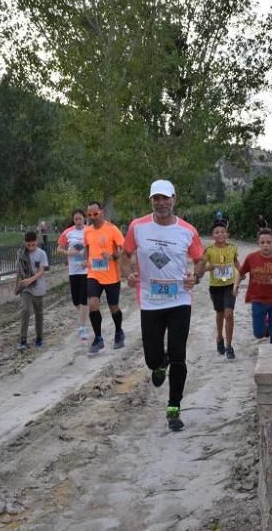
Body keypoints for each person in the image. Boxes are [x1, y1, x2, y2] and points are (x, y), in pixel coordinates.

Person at [122, 180, 206, 431]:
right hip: (150, 301)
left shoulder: (187, 231)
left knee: (179, 355)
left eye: (165, 198)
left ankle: (174, 408)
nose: (161, 203)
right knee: (152, 358)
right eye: (156, 198)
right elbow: (125, 256)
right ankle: (159, 366)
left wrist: (196, 276)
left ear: (174, 199)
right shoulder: (138, 227)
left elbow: (201, 260)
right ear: (151, 201)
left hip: (180, 299)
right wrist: (128, 274)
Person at [234, 228, 272, 345]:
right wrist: (236, 285)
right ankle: (265, 325)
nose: (265, 245)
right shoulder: (251, 258)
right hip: (258, 300)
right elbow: (241, 273)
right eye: (262, 243)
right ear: (258, 244)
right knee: (259, 333)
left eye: (268, 242)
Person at [84, 201, 126, 354]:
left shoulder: (112, 229)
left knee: (113, 307)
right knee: (93, 304)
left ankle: (119, 331)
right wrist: (86, 260)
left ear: (101, 212)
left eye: (95, 214)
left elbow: (124, 248)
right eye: (89, 215)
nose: (92, 217)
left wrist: (113, 256)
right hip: (93, 274)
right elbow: (87, 248)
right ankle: (98, 338)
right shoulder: (87, 231)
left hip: (111, 276)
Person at [204, 219, 240, 360]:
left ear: (227, 234)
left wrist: (241, 273)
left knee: (229, 314)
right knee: (220, 313)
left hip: (229, 285)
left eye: (223, 232)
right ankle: (219, 337)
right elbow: (202, 267)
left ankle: (229, 346)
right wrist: (209, 267)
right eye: (217, 232)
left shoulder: (232, 248)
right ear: (213, 235)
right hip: (215, 287)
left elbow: (237, 263)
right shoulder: (209, 251)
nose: (220, 234)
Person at [56, 209, 90, 341]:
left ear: (84, 218)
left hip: (85, 270)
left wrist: (88, 261)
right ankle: (83, 316)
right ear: (73, 220)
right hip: (73, 271)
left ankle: (82, 327)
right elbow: (59, 248)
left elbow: (94, 248)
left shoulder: (89, 230)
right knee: (76, 301)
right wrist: (67, 253)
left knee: (83, 299)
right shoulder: (68, 232)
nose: (78, 221)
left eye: (80, 218)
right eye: (75, 219)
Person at [16, 230, 49, 349]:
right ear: (25, 243)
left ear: (37, 242)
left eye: (33, 245)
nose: (30, 247)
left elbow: (41, 271)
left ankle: (39, 337)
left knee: (39, 313)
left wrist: (30, 280)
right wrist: (18, 286)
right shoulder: (21, 253)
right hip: (25, 288)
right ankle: (23, 339)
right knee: (25, 310)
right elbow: (19, 271)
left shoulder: (42, 254)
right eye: (28, 245)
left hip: (38, 287)